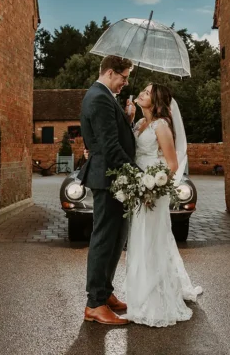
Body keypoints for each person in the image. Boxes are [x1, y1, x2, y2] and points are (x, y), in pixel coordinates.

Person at [123, 83, 202, 327]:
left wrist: (152, 187)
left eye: (147, 92)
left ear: (155, 101)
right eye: (143, 90)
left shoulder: (161, 125)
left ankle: (157, 299)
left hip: (154, 191)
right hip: (139, 188)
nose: (142, 94)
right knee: (139, 238)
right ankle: (140, 294)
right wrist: (129, 118)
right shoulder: (139, 124)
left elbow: (172, 164)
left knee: (153, 239)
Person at [78, 55, 138, 326]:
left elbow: (112, 137)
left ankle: (106, 291)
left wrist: (127, 118)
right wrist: (139, 175)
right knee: (104, 239)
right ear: (111, 72)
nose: (125, 82)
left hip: (114, 178)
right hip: (108, 178)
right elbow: (110, 147)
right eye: (124, 77)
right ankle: (95, 303)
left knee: (116, 238)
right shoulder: (99, 97)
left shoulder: (106, 97)